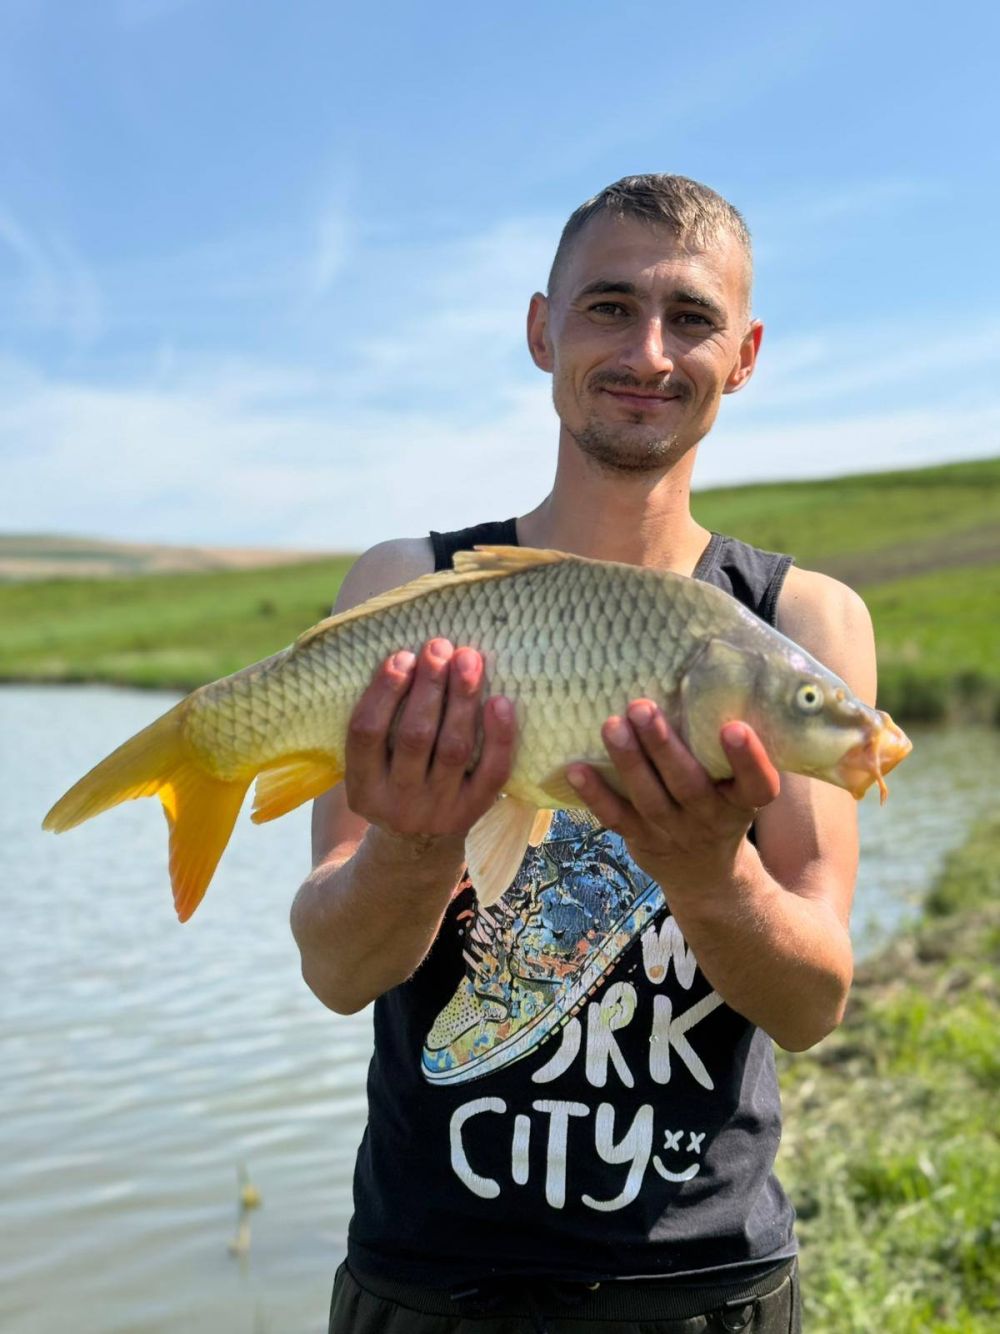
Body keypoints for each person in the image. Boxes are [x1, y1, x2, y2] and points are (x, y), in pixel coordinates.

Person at [292, 174, 876, 1334]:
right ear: (539, 329)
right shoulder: (409, 585)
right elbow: (337, 971)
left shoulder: (799, 621)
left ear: (744, 355)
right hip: (430, 1273)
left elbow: (813, 1001)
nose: (648, 350)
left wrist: (711, 871)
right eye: (609, 306)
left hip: (701, 1279)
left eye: (691, 317)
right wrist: (414, 844)